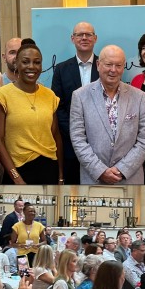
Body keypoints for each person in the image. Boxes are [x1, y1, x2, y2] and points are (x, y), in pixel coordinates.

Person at [70, 45, 145, 185]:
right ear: (98, 65)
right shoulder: (80, 96)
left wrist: (122, 169)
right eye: (108, 64)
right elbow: (78, 139)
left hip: (129, 179)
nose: (113, 70)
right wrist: (100, 171)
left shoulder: (139, 96)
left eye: (118, 65)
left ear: (123, 67)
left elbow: (144, 140)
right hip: (93, 179)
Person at [0, 39, 64, 185]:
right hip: (18, 169)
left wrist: (61, 176)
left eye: (36, 62)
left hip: (49, 168)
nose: (31, 66)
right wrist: (15, 177)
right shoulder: (1, 96)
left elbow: (56, 136)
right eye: (25, 62)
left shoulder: (50, 95)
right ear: (17, 64)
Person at [51, 21, 100, 184]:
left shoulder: (106, 67)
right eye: (80, 34)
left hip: (100, 144)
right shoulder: (61, 69)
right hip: (70, 144)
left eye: (88, 34)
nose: (84, 38)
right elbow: (58, 107)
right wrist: (76, 132)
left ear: (95, 38)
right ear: (73, 38)